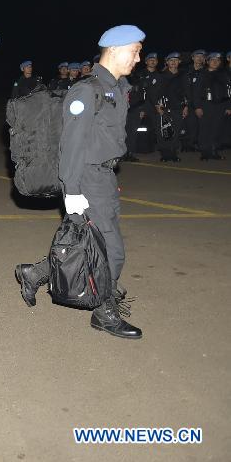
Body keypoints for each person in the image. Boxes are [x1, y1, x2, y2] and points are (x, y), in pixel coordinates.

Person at [16, 24, 144, 340]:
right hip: (86, 176)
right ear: (114, 50)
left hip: (103, 174)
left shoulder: (116, 87)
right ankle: (105, 311)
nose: (138, 58)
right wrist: (71, 189)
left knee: (84, 245)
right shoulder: (87, 91)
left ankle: (34, 273)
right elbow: (71, 144)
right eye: (135, 51)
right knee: (111, 249)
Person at [193, 52, 230, 160]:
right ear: (207, 61)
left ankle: (214, 151)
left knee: (217, 129)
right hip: (205, 105)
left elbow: (228, 92)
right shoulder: (201, 74)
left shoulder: (224, 75)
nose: (215, 62)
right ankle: (205, 152)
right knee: (205, 129)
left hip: (220, 105)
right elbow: (195, 92)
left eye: (217, 60)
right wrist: (197, 107)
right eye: (212, 60)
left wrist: (228, 106)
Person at [155, 53, 185, 162]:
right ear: (167, 62)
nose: (173, 62)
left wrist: (186, 106)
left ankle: (173, 152)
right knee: (164, 131)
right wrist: (157, 106)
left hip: (178, 107)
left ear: (179, 62)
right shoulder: (161, 75)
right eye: (170, 60)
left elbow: (186, 92)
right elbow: (155, 93)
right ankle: (165, 153)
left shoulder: (183, 75)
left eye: (176, 60)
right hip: (163, 107)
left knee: (176, 131)